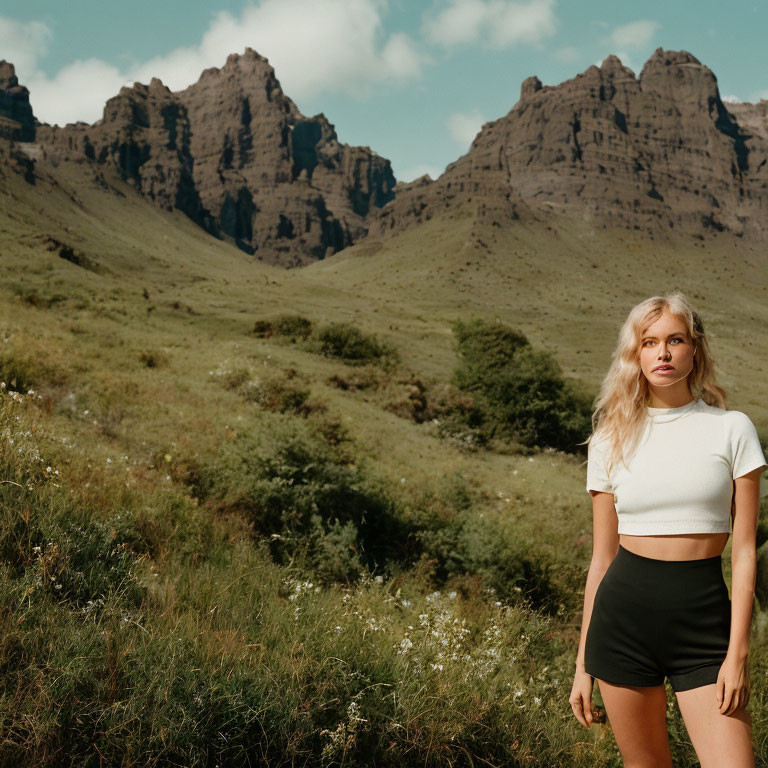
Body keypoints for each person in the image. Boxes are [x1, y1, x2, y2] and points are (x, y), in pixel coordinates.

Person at [569, 292, 766, 767]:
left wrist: (737, 654)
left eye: (674, 340)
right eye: (649, 342)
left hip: (704, 626)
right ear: (635, 355)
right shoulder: (609, 439)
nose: (662, 353)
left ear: (693, 349)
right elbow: (602, 559)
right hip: (622, 625)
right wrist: (581, 666)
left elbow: (743, 554)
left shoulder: (732, 430)